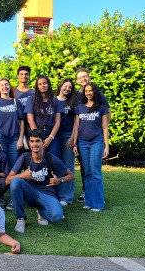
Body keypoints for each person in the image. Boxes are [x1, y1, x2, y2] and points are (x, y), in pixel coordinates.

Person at [6, 129, 75, 233]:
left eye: (38, 141)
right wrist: (22, 175)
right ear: (29, 143)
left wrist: (59, 180)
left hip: (47, 194)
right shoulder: (25, 157)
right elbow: (8, 180)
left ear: (43, 142)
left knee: (57, 217)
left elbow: (71, 176)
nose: (35, 144)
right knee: (15, 182)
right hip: (30, 193)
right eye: (32, 141)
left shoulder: (50, 158)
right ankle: (21, 218)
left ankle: (42, 211)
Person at [75, 68, 111, 203]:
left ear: (89, 77)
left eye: (85, 76)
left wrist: (101, 129)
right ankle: (88, 196)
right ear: (77, 81)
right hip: (83, 140)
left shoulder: (99, 96)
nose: (83, 79)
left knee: (95, 171)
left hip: (96, 138)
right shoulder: (77, 98)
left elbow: (106, 116)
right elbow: (76, 124)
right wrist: (74, 142)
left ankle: (97, 201)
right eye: (80, 77)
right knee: (86, 169)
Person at [0, 77, 25, 170]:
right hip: (0, 137)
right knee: (1, 164)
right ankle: (2, 184)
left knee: (13, 165)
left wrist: (20, 139)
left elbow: (22, 121)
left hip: (14, 137)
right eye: (2, 85)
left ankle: (12, 184)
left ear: (9, 86)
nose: (4, 86)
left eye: (6, 84)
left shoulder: (16, 102)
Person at [25, 75, 63, 158]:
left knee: (54, 160)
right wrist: (38, 138)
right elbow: (30, 120)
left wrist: (50, 138)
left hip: (51, 134)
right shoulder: (32, 100)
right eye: (40, 84)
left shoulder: (55, 101)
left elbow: (57, 122)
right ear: (37, 86)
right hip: (37, 132)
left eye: (45, 83)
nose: (43, 85)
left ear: (48, 84)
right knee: (38, 160)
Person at [54, 78, 78, 206]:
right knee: (56, 165)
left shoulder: (73, 101)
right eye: (65, 86)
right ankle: (56, 194)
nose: (67, 89)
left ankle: (67, 197)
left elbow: (76, 121)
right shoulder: (53, 100)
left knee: (68, 166)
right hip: (55, 135)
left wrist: (72, 138)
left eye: (70, 87)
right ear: (60, 86)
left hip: (68, 134)